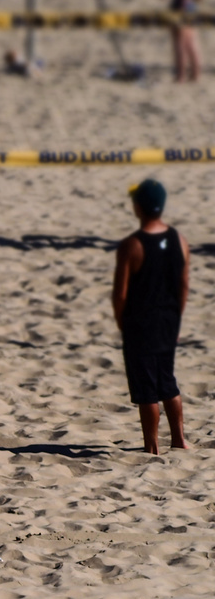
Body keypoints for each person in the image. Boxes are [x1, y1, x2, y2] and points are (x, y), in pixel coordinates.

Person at [112, 179, 190, 454]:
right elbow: (183, 285)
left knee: (147, 389)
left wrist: (122, 322)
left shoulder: (131, 245)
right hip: (168, 321)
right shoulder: (179, 240)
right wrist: (176, 319)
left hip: (140, 325)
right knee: (167, 382)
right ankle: (179, 439)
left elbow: (120, 294)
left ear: (138, 207)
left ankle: (152, 446)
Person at [170, 0, 202, 82]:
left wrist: (181, 10)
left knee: (180, 43)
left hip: (183, 5)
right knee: (190, 42)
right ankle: (195, 73)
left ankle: (181, 74)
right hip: (189, 4)